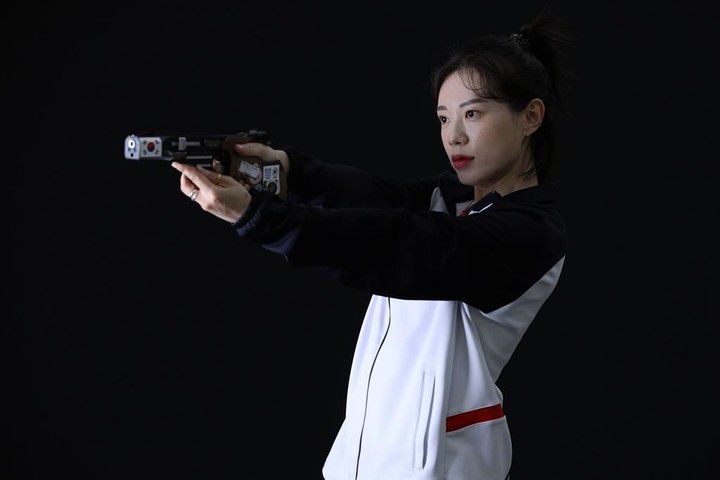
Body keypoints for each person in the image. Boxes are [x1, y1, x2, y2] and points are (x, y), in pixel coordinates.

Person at [171, 6, 577, 479]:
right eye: (443, 118)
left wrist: (258, 216)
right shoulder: (450, 200)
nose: (454, 136)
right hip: (365, 458)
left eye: (473, 114)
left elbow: (398, 245)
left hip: (442, 467)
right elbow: (372, 197)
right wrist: (286, 170)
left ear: (530, 117)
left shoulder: (530, 233)